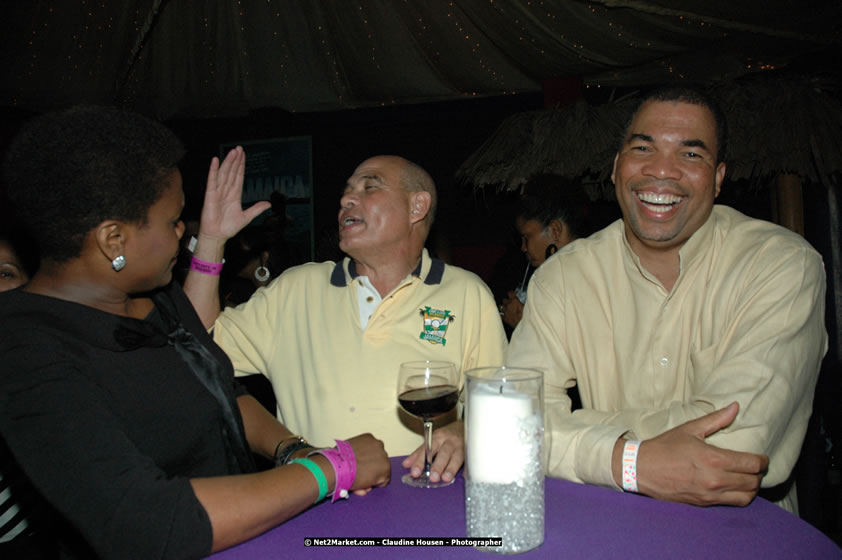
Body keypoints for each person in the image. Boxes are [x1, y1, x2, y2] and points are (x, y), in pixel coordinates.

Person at [0, 105, 390, 559]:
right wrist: (331, 470)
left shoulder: (155, 296)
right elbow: (149, 522)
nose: (182, 233)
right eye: (172, 222)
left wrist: (291, 449)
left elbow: (219, 390)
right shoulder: (25, 348)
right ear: (114, 240)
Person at [507, 86, 827, 513]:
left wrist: (574, 439)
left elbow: (736, 447)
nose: (662, 170)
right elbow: (509, 424)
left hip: (742, 533)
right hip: (614, 526)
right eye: (644, 148)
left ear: (718, 179)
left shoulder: (781, 264)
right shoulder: (563, 278)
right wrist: (630, 462)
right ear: (618, 168)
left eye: (691, 155)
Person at [185, 154, 507, 485]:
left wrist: (466, 432)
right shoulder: (297, 290)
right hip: (315, 509)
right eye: (346, 190)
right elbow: (192, 349)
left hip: (426, 507)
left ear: (417, 207)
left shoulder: (465, 293)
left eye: (370, 187)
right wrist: (210, 241)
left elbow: (503, 405)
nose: (346, 199)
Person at [499, 179, 591, 330]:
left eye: (526, 237)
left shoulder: (580, 280)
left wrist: (524, 324)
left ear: (555, 230)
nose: (523, 247)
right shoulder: (564, 272)